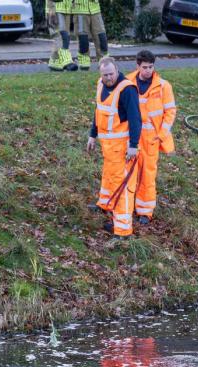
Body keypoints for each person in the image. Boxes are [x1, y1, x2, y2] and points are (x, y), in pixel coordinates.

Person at [86, 56, 140, 237]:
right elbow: (99, 111)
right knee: (108, 177)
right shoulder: (100, 85)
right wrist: (92, 135)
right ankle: (105, 204)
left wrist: (134, 145)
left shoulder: (127, 90)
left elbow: (135, 119)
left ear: (117, 70)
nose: (108, 78)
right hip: (107, 146)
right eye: (104, 75)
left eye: (110, 74)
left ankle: (123, 229)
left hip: (122, 148)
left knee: (122, 185)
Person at [125, 50, 176, 226]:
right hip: (132, 137)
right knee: (129, 173)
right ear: (137, 66)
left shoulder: (163, 86)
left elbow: (170, 112)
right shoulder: (127, 82)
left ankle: (145, 211)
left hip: (151, 140)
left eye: (151, 67)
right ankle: (127, 206)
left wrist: (160, 135)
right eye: (144, 67)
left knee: (147, 175)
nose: (148, 70)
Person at [46, 0, 79, 71]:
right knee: (61, 36)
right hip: (55, 9)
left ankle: (54, 61)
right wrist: (51, 8)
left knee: (63, 36)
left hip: (67, 9)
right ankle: (67, 62)